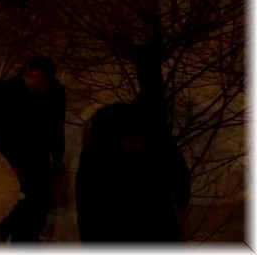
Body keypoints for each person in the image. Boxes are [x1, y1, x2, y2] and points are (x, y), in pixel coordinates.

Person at [0, 57, 67, 242]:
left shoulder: (55, 92)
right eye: (36, 81)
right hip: (6, 156)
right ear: (27, 74)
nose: (40, 87)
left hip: (37, 157)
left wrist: (57, 158)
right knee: (9, 207)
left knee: (33, 211)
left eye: (44, 83)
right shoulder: (4, 92)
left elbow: (56, 127)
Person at [76, 102, 190, 242]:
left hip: (147, 225)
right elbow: (84, 193)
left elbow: (180, 175)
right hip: (117, 227)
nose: (134, 146)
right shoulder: (98, 151)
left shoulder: (157, 144)